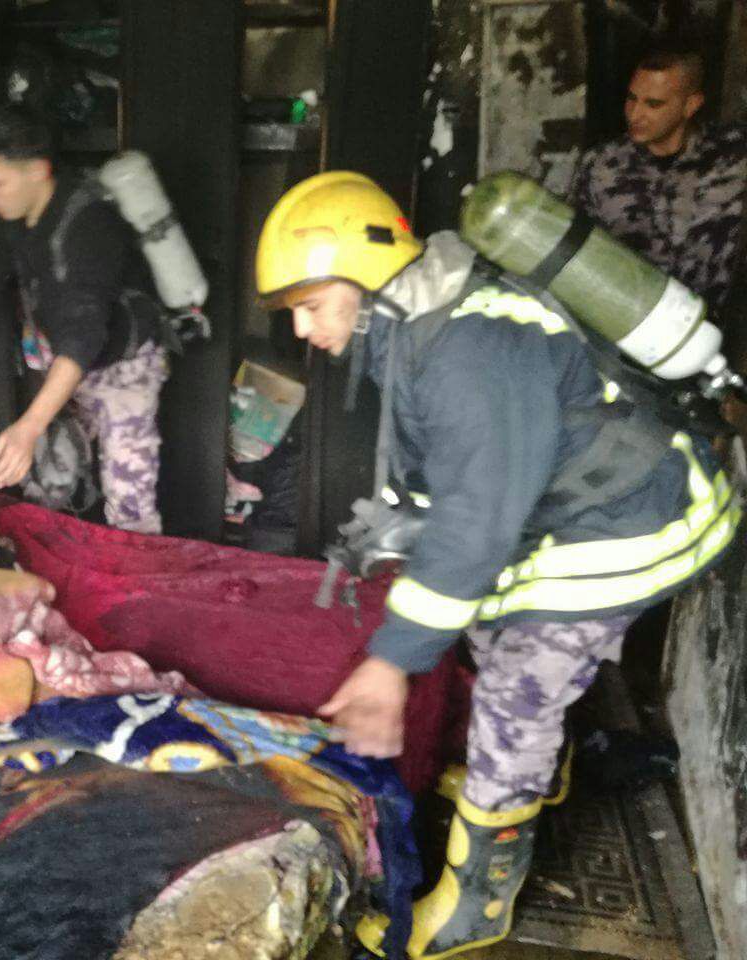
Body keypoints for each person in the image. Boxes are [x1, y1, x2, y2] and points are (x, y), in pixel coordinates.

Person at [255, 171, 740, 959]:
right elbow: (454, 479)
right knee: (487, 625)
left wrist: (391, 661)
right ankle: (540, 771)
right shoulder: (415, 327)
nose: (304, 328)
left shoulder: (465, 352)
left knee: (517, 694)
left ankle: (479, 901)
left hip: (633, 524)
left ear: (366, 279)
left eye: (311, 304)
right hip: (574, 511)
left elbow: (477, 526)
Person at [0, 104, 168, 533]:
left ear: (37, 170)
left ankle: (136, 567)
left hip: (120, 370)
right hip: (60, 365)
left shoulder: (89, 224)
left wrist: (30, 426)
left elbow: (85, 334)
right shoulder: (13, 217)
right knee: (51, 478)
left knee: (129, 500)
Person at [569, 41, 747, 312]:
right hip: (629, 322)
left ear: (690, 105)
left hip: (714, 323)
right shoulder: (601, 165)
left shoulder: (733, 158)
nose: (635, 114)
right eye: (632, 98)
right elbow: (576, 249)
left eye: (654, 104)